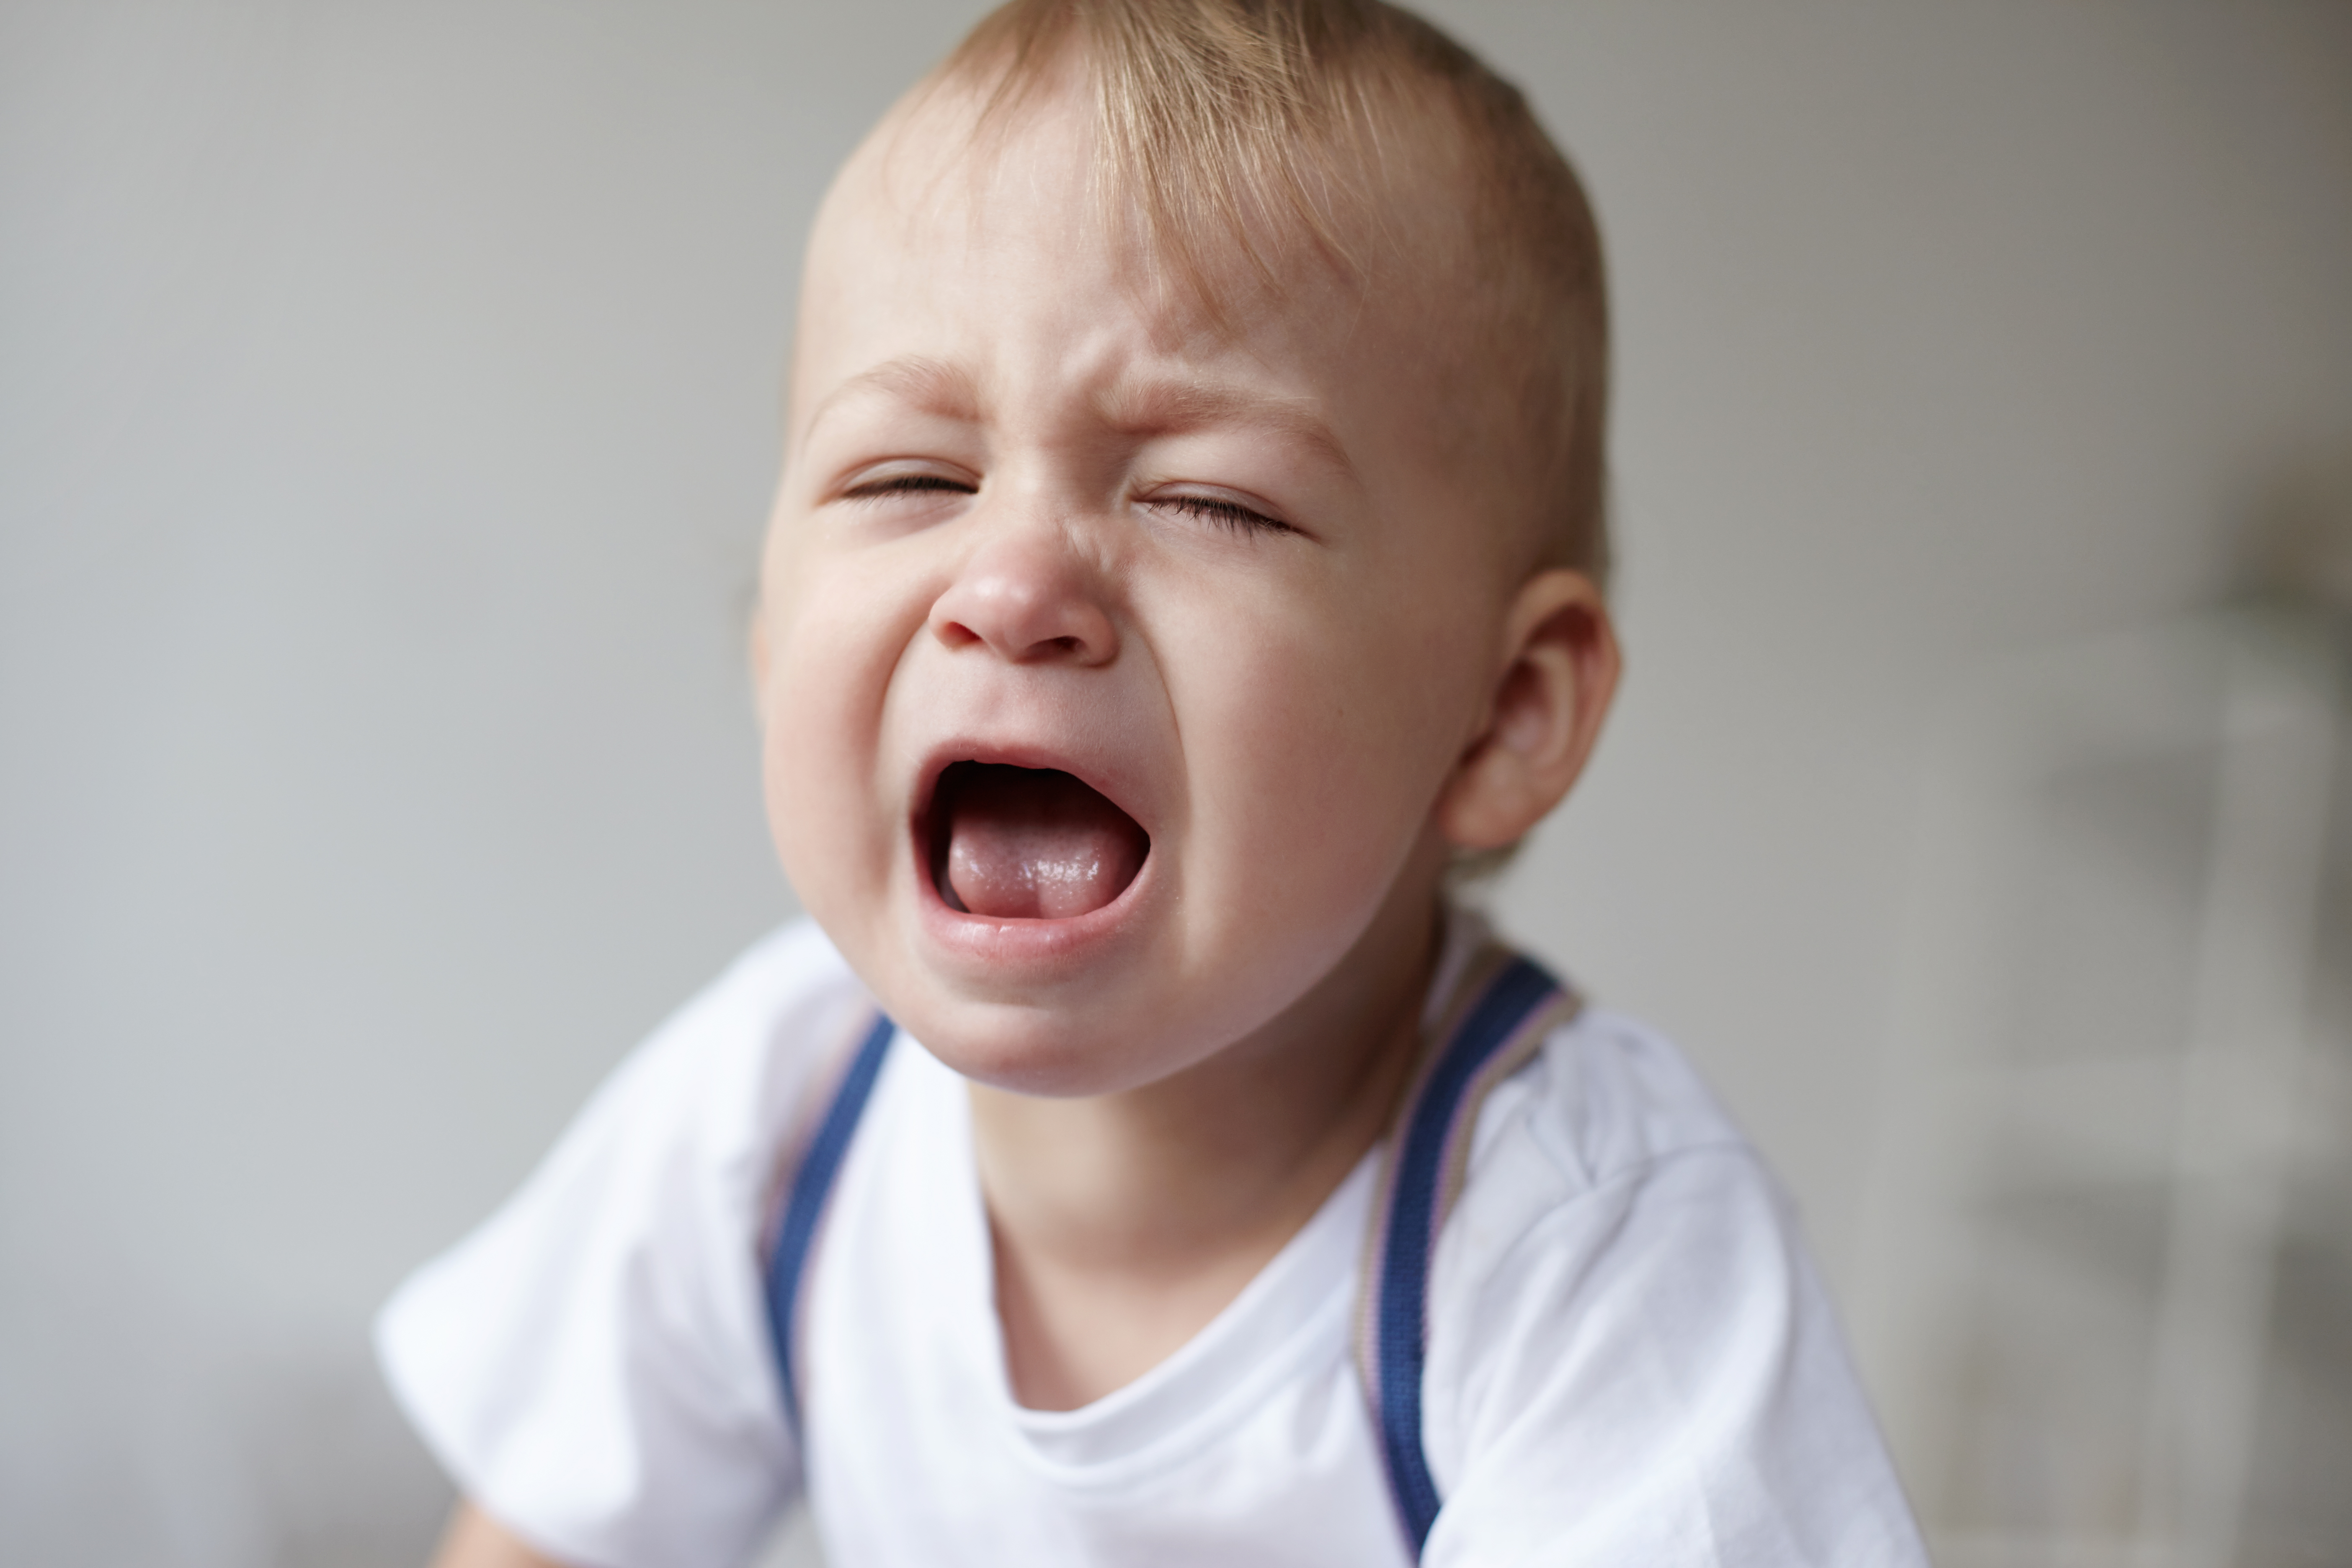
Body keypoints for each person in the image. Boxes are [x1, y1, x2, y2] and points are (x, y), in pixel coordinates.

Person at [378, 2, 1927, 1563]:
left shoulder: (1581, 1239)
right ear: (772, 646)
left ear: (1501, 715)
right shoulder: (775, 1122)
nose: (1012, 580)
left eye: (1210, 500)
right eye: (909, 477)